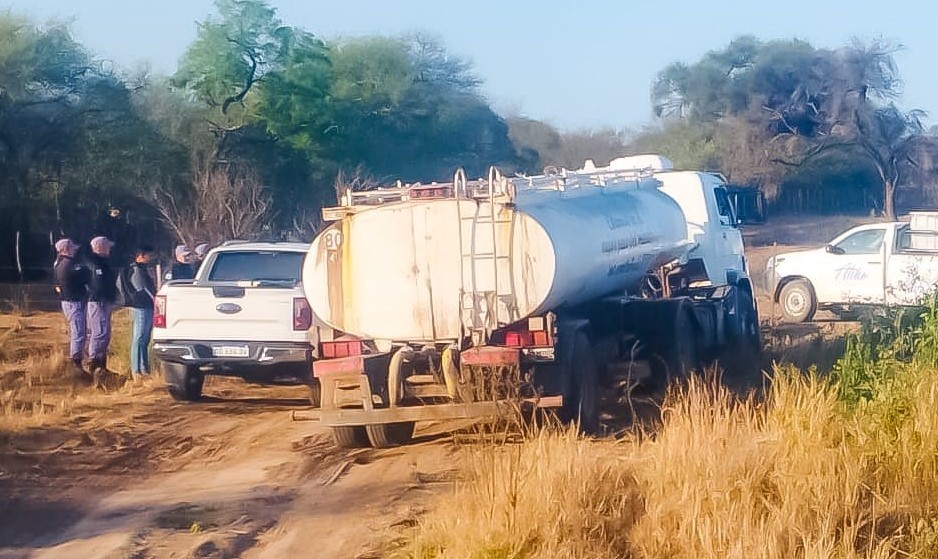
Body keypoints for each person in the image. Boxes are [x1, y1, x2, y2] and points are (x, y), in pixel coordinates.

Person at [52, 238, 89, 370]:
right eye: (72, 247)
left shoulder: (58, 263)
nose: (74, 249)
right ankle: (76, 363)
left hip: (68, 301)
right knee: (78, 333)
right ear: (66, 249)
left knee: (78, 332)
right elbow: (85, 276)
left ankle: (78, 359)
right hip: (74, 302)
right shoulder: (68, 265)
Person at [85, 236, 117, 380]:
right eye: (107, 246)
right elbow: (97, 283)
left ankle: (102, 365)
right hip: (98, 301)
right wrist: (101, 296)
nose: (110, 248)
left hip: (105, 301)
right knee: (98, 333)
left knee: (105, 333)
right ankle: (93, 364)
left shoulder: (104, 262)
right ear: (100, 247)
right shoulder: (94, 263)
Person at [127, 245, 156, 384]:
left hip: (147, 307)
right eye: (148, 255)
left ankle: (144, 368)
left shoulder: (143, 270)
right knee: (138, 338)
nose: (150, 258)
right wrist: (155, 300)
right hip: (140, 308)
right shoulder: (136, 270)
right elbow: (142, 289)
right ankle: (136, 370)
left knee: (144, 339)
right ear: (141, 256)